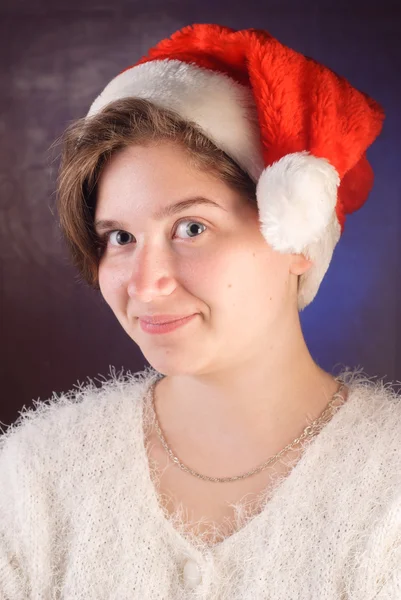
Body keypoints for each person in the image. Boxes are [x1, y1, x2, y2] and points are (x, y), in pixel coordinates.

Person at [1, 22, 400, 600]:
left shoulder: (387, 489)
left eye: (191, 227)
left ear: (294, 238)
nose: (145, 282)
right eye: (119, 237)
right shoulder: (38, 473)